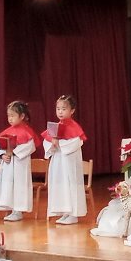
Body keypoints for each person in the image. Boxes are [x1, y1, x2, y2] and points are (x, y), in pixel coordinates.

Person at [43, 94, 87, 225]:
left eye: (64, 109)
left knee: (70, 184)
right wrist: (52, 144)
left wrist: (60, 143)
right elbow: (47, 142)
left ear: (72, 110)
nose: (60, 112)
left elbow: (77, 142)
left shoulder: (74, 127)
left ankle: (73, 214)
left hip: (69, 161)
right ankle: (64, 212)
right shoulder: (55, 126)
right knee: (60, 184)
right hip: (58, 160)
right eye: (58, 109)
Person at [0, 101, 37, 222]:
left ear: (22, 116)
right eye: (8, 116)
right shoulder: (7, 131)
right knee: (7, 185)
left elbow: (30, 146)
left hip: (19, 164)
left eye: (13, 115)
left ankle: (18, 211)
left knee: (19, 186)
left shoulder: (26, 131)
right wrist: (2, 155)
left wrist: (14, 152)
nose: (10, 118)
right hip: (7, 164)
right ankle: (10, 209)